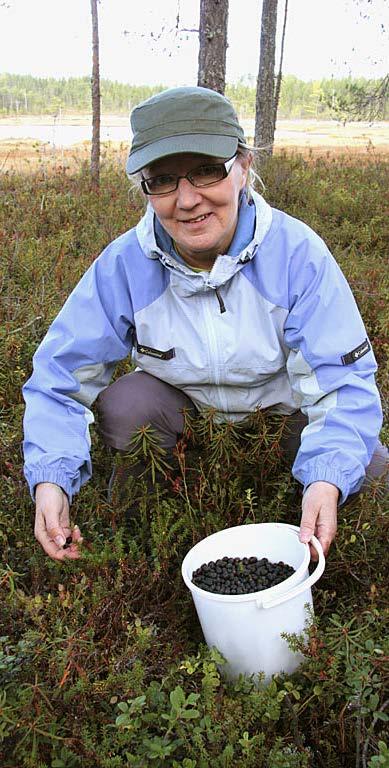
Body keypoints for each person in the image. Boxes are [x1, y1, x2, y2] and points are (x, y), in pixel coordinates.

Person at [22, 86, 388, 563]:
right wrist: (51, 477)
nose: (188, 200)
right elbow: (58, 379)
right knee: (129, 404)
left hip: (281, 420)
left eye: (206, 171)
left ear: (243, 168)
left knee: (374, 473)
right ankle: (136, 536)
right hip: (183, 424)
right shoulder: (125, 265)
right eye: (164, 181)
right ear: (146, 189)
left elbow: (344, 383)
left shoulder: (298, 256)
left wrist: (328, 476)